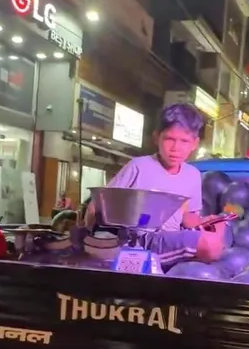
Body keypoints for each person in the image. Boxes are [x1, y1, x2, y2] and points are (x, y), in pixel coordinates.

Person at [88, 103, 225, 266]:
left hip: (169, 239)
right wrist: (88, 237)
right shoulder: (139, 166)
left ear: (195, 143)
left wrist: (209, 221)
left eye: (184, 141)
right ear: (156, 138)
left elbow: (187, 216)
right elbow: (98, 204)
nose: (176, 148)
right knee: (209, 245)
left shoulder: (192, 175)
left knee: (218, 232)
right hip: (138, 239)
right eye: (169, 139)